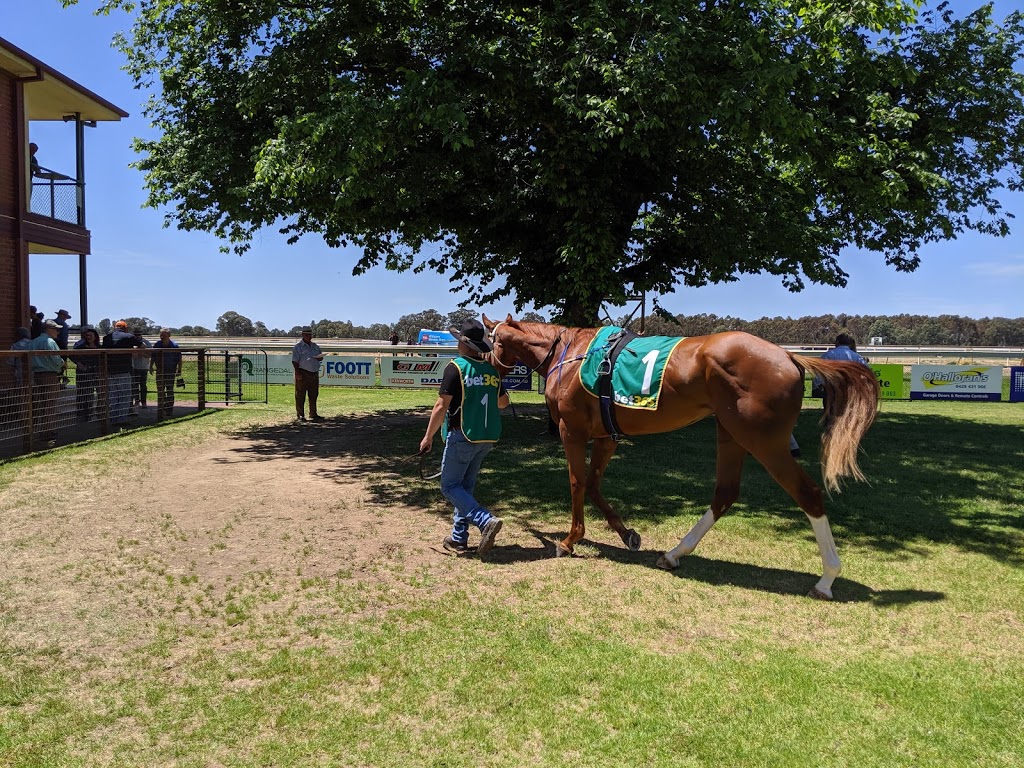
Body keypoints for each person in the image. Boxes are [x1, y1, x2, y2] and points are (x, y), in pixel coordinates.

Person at [419, 318, 509, 557]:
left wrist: (427, 437)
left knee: (449, 486)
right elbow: (503, 402)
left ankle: (484, 520)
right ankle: (459, 538)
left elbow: (441, 406)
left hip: (462, 436)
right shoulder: (492, 371)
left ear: (465, 345)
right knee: (464, 488)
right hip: (485, 438)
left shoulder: (455, 367)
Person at [29, 320, 64, 443]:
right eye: (56, 329)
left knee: (39, 405)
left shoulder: (32, 343)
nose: (58, 332)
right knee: (50, 405)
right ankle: (47, 431)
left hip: (35, 376)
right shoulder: (50, 342)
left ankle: (36, 431)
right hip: (50, 375)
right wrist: (62, 364)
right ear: (48, 329)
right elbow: (56, 359)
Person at [102, 321, 143, 425]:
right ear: (126, 328)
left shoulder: (107, 337)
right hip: (124, 370)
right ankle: (121, 419)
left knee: (113, 395)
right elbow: (141, 346)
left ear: (115, 328)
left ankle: (112, 418)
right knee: (124, 395)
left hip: (109, 370)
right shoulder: (129, 336)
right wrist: (135, 352)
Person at [814, 333, 869, 411]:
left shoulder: (828, 355)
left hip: (831, 389)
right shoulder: (856, 356)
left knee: (830, 413)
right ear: (849, 343)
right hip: (850, 389)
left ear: (837, 342)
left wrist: (818, 384)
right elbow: (867, 370)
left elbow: (820, 372)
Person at [291, 326, 324, 421]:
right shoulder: (298, 347)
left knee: (314, 394)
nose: (309, 336)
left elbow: (320, 357)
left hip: (314, 373)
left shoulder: (315, 346)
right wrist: (297, 372)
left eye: (310, 335)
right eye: (307, 335)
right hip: (303, 373)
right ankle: (300, 415)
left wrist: (320, 357)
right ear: (302, 335)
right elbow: (294, 361)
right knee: (300, 395)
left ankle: (313, 413)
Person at [151, 328, 183, 419]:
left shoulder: (174, 346)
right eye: (161, 335)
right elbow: (153, 356)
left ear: (168, 335)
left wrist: (179, 369)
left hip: (170, 370)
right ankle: (162, 407)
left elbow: (179, 359)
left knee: (169, 389)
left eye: (163, 335)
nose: (162, 337)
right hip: (160, 370)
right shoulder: (157, 344)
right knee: (160, 389)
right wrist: (151, 366)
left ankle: (169, 409)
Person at [72, 326, 101, 423]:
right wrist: (79, 364)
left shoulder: (100, 348)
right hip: (83, 374)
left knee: (99, 394)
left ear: (95, 336)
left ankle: (98, 412)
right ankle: (82, 415)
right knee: (83, 394)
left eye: (90, 335)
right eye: (87, 335)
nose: (88, 337)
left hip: (96, 373)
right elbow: (72, 356)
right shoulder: (80, 347)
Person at [130, 328, 153, 408]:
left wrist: (141, 354)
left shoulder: (146, 343)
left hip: (143, 367)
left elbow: (150, 354)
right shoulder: (131, 343)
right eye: (135, 335)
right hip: (134, 366)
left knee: (143, 385)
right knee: (134, 385)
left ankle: (144, 402)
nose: (137, 336)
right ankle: (136, 401)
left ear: (141, 335)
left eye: (138, 334)